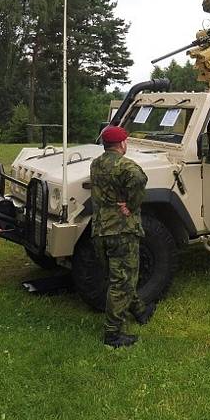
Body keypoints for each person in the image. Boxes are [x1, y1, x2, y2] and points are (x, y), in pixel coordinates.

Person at [90, 125, 156, 348]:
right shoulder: (126, 165)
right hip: (121, 231)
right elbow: (140, 179)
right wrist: (131, 204)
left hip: (100, 230)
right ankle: (113, 334)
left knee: (118, 276)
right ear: (122, 144)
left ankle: (140, 310)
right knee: (123, 281)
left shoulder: (96, 163)